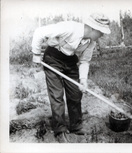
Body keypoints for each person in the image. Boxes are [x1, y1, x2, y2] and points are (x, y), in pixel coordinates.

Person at [31, 13, 111, 142]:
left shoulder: (91, 42)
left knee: (75, 94)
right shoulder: (69, 28)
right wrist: (36, 53)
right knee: (57, 96)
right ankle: (60, 130)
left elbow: (85, 61)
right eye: (101, 31)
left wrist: (83, 80)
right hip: (53, 58)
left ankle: (76, 126)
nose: (102, 35)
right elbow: (39, 32)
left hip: (70, 61)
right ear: (92, 28)